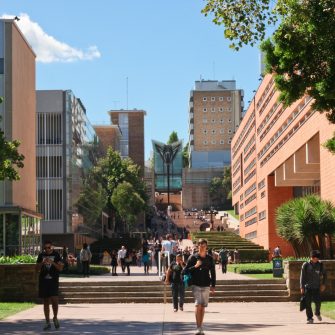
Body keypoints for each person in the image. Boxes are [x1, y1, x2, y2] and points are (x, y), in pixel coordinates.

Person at [184, 238, 216, 335]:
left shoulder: (210, 258)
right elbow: (184, 271)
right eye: (200, 245)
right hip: (196, 285)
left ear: (206, 247)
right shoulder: (193, 258)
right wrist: (196, 266)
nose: (202, 247)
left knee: (202, 307)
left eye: (204, 246)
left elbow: (213, 272)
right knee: (198, 305)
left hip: (206, 284)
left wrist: (213, 285)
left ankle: (200, 327)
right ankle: (198, 328)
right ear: (198, 246)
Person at [36, 240, 63, 331]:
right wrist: (43, 262)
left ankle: (55, 317)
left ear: (52, 247)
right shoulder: (41, 255)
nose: (47, 249)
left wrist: (52, 262)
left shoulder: (57, 255)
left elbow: (60, 268)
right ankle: (47, 322)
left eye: (49, 247)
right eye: (45, 248)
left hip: (53, 281)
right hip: (43, 281)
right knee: (46, 302)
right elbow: (36, 268)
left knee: (55, 300)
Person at [300, 250, 327, 324]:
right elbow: (302, 277)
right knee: (308, 304)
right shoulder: (305, 265)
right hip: (307, 287)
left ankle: (317, 313)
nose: (317, 259)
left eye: (318, 258)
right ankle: (310, 318)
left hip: (316, 287)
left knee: (318, 302)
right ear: (312, 257)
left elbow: (325, 275)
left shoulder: (320, 265)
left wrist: (323, 284)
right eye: (316, 258)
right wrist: (302, 287)